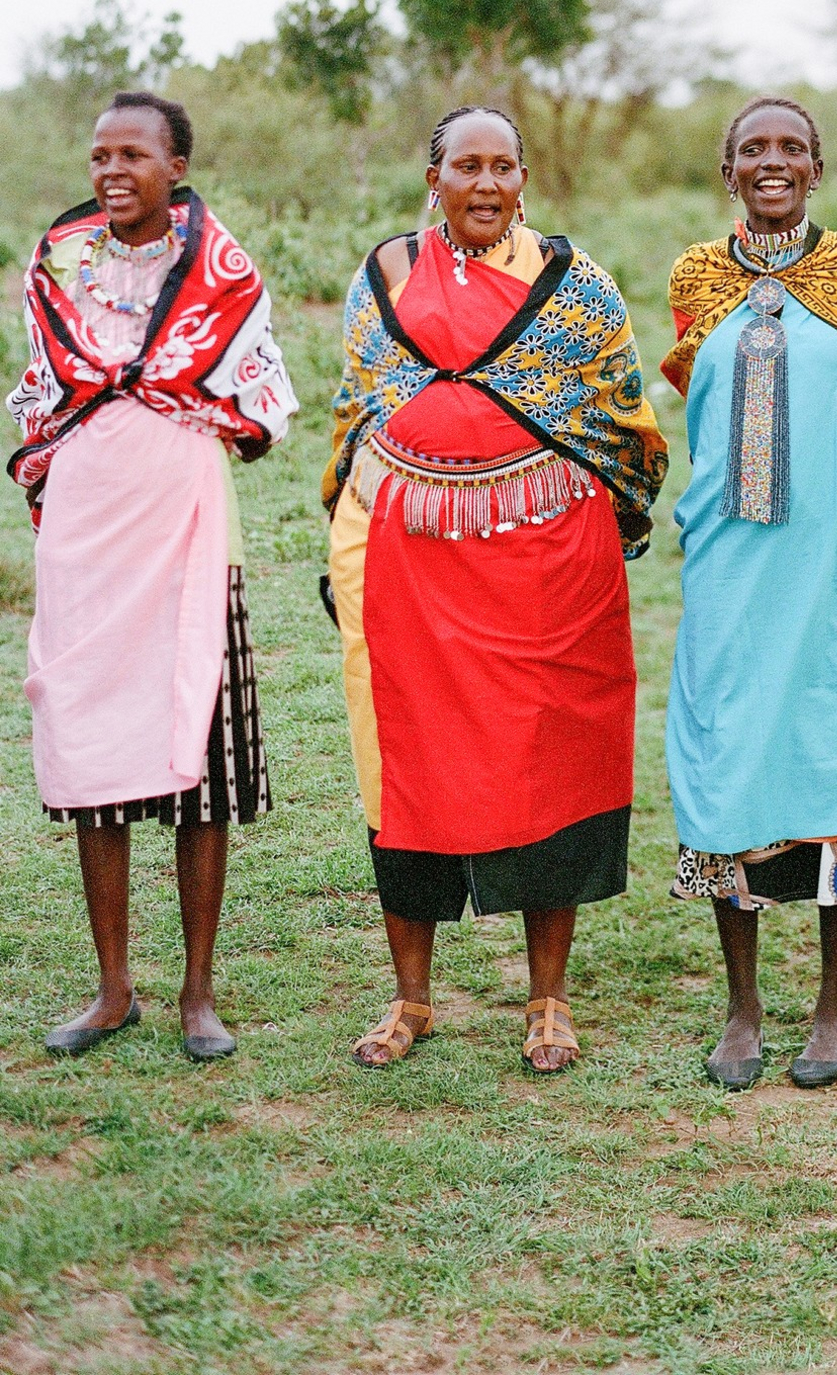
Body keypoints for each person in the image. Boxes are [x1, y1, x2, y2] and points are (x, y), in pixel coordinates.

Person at [325, 106, 666, 1073]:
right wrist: (342, 530)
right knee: (408, 764)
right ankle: (411, 998)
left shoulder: (578, 284)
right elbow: (360, 409)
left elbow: (622, 416)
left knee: (549, 757)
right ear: (433, 178)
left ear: (525, 179)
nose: (485, 183)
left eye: (502, 166)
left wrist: (611, 513)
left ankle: (549, 998)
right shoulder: (385, 273)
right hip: (406, 561)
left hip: (546, 562)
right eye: (466, 165)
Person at [663, 96, 837, 1090]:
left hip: (835, 564)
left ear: (817, 167)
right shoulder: (696, 279)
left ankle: (832, 1005)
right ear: (727, 169)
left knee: (836, 756)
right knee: (729, 758)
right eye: (752, 150)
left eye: (790, 148)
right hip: (729, 568)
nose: (771, 162)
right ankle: (741, 1007)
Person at [7, 91, 296, 1060]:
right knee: (94, 752)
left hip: (184, 529)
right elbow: (41, 396)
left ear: (177, 167)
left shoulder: (220, 270)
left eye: (133, 153)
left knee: (199, 762)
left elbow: (258, 407)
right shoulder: (58, 263)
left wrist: (183, 407)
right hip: (89, 533)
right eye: (100, 155)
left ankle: (198, 994)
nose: (112, 169)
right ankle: (111, 988)